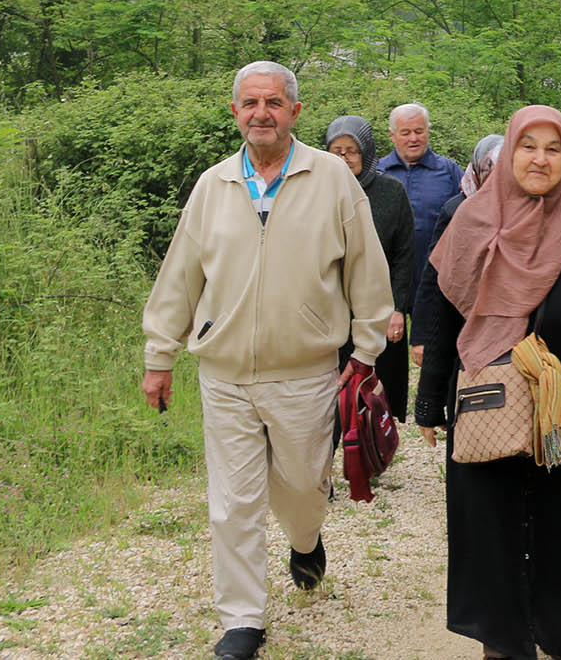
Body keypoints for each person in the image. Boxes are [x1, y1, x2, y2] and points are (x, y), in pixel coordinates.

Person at [141, 62, 393, 660]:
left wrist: (365, 352)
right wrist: (160, 354)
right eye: (250, 103)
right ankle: (242, 620)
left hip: (305, 371)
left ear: (294, 112)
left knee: (304, 486)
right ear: (235, 113)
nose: (262, 113)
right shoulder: (212, 186)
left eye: (274, 102)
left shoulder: (332, 178)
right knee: (233, 501)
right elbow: (179, 277)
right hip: (224, 374)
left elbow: (366, 269)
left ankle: (305, 539)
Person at [414, 105, 561, 660]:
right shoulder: (469, 219)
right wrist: (428, 402)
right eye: (529, 146)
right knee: (490, 524)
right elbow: (442, 310)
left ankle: (559, 630)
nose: (540, 158)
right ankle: (504, 637)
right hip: (487, 401)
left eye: (553, 148)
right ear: (508, 151)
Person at [324, 115, 414, 420]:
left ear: (367, 152)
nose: (344, 158)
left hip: (379, 307)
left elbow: (404, 255)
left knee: (377, 390)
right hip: (331, 308)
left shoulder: (392, 192)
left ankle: (373, 451)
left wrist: (398, 308)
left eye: (352, 150)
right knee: (332, 390)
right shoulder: (317, 192)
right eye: (337, 151)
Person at [417, 135, 505, 369]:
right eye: (488, 171)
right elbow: (433, 273)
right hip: (458, 316)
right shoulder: (456, 209)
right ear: (477, 169)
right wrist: (420, 336)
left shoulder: (522, 212)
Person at [376, 102, 466, 291]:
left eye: (419, 131)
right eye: (405, 133)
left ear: (428, 131)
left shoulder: (450, 172)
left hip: (435, 277)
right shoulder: (378, 174)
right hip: (386, 278)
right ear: (392, 136)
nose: (413, 138)